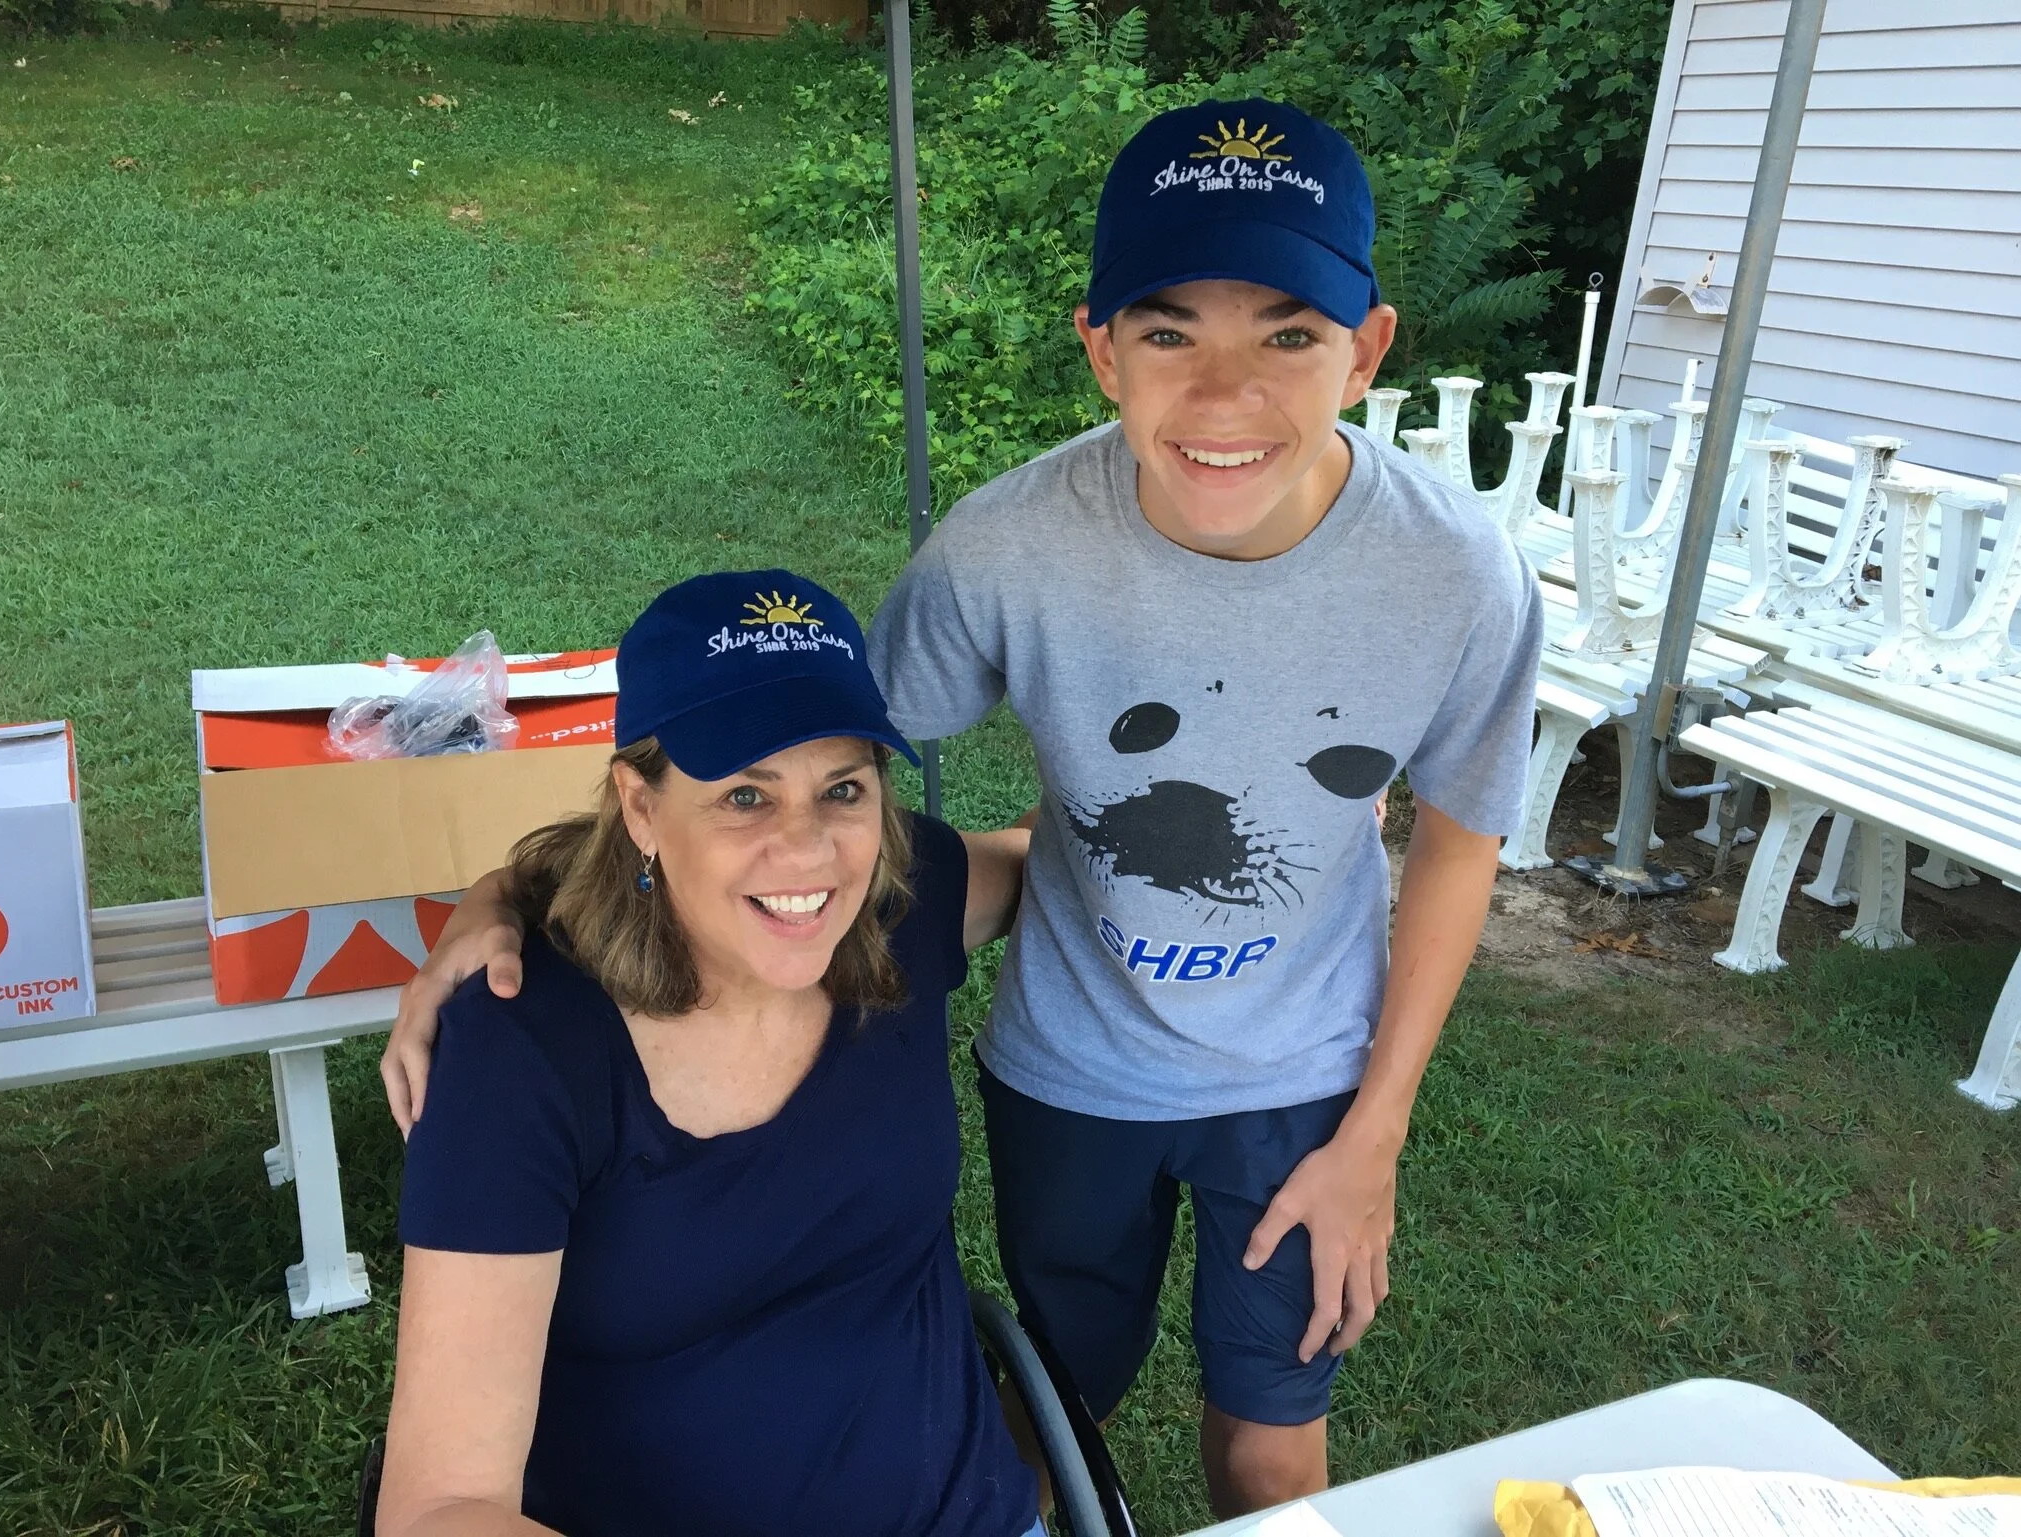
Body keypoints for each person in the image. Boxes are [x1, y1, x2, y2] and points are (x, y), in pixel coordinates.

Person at [385, 97, 1544, 1521]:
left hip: (1304, 1068)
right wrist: (508, 898)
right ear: (1099, 346)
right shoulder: (1004, 550)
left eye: (1288, 334)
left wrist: (1374, 1135)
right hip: (1072, 1061)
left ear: (1365, 352)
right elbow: (796, 761)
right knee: (1063, 1393)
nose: (1225, 395)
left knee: (1272, 1448)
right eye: (1170, 331)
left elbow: (1461, 842)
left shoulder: (1458, 576)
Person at [374, 570, 1043, 1537]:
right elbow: (439, 1507)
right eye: (743, 796)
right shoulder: (522, 1047)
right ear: (640, 808)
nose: (808, 851)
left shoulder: (902, 903)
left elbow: (1046, 862)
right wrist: (494, 902)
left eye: (842, 788)